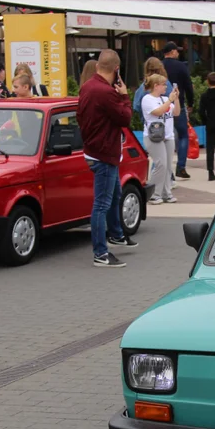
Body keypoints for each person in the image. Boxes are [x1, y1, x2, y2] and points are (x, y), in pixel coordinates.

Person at [77, 49, 135, 267]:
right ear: (116, 69)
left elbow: (80, 116)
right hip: (104, 153)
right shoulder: (105, 92)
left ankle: (117, 234)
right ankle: (100, 253)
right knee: (102, 203)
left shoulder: (87, 87)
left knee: (114, 194)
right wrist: (124, 96)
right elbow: (125, 118)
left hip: (92, 149)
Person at [141, 73, 178, 204]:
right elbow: (157, 112)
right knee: (160, 163)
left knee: (168, 166)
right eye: (163, 84)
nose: (165, 87)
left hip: (168, 135)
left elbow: (176, 112)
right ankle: (154, 193)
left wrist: (176, 99)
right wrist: (169, 100)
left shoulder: (164, 98)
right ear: (156, 86)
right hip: (153, 136)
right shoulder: (147, 99)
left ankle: (166, 193)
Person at [161, 41, 194, 179]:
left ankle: (167, 171)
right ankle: (181, 166)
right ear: (172, 52)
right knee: (183, 135)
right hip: (178, 104)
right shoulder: (181, 66)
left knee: (165, 137)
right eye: (177, 51)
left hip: (162, 105)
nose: (178, 53)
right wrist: (191, 103)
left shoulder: (160, 66)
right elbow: (188, 85)